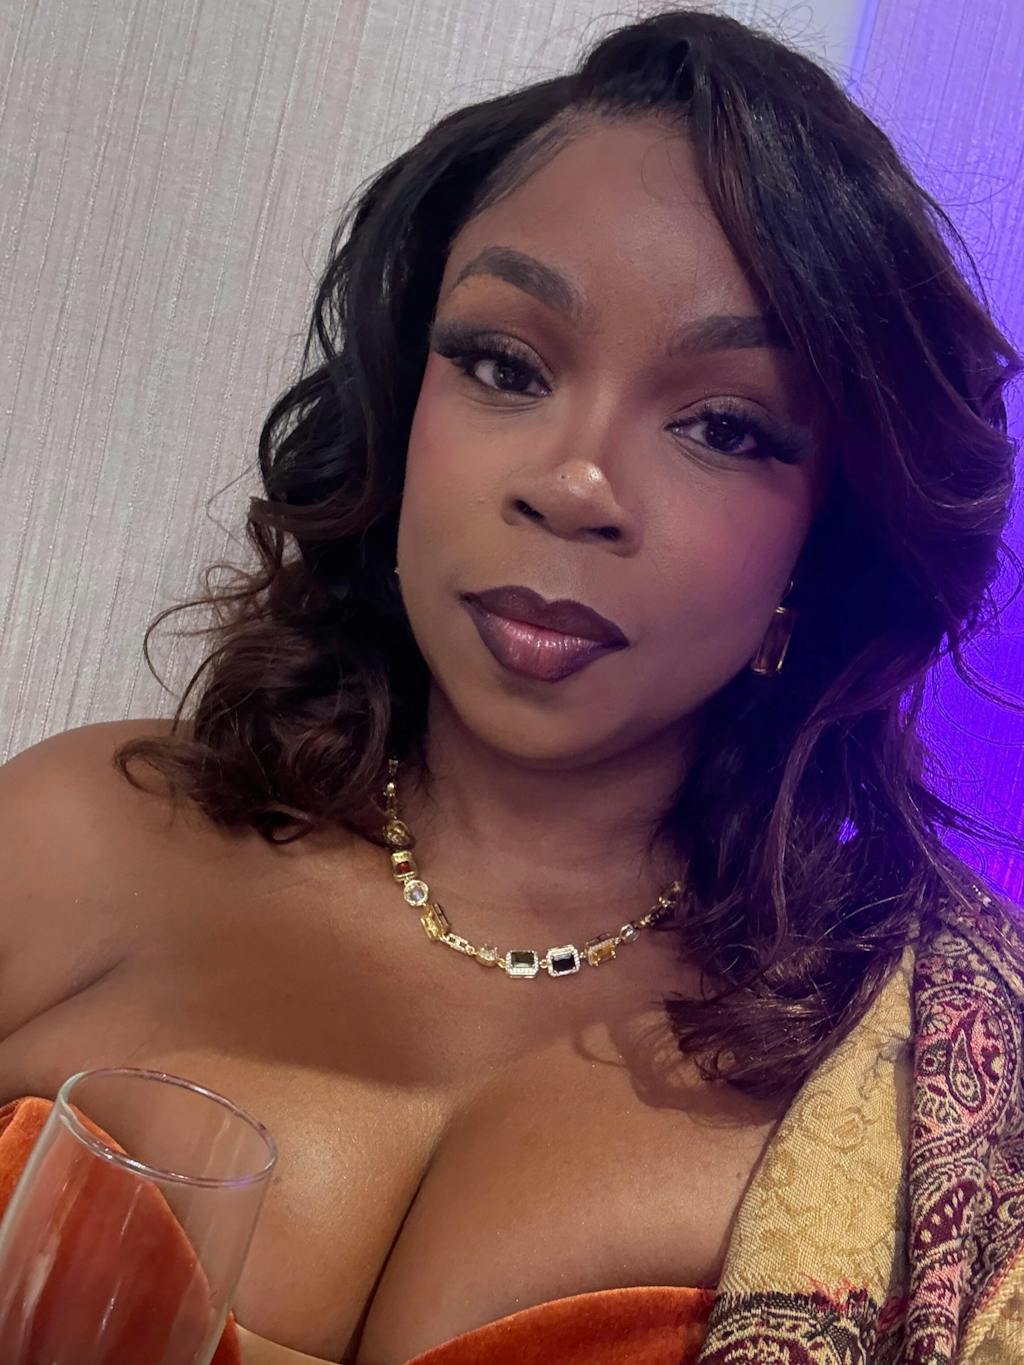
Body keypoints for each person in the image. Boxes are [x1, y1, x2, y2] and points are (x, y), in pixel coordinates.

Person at [1, 7, 1022, 1363]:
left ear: (820, 543)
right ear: (400, 404)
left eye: (724, 426)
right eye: (505, 364)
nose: (575, 481)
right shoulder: (76, 835)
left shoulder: (917, 1078)